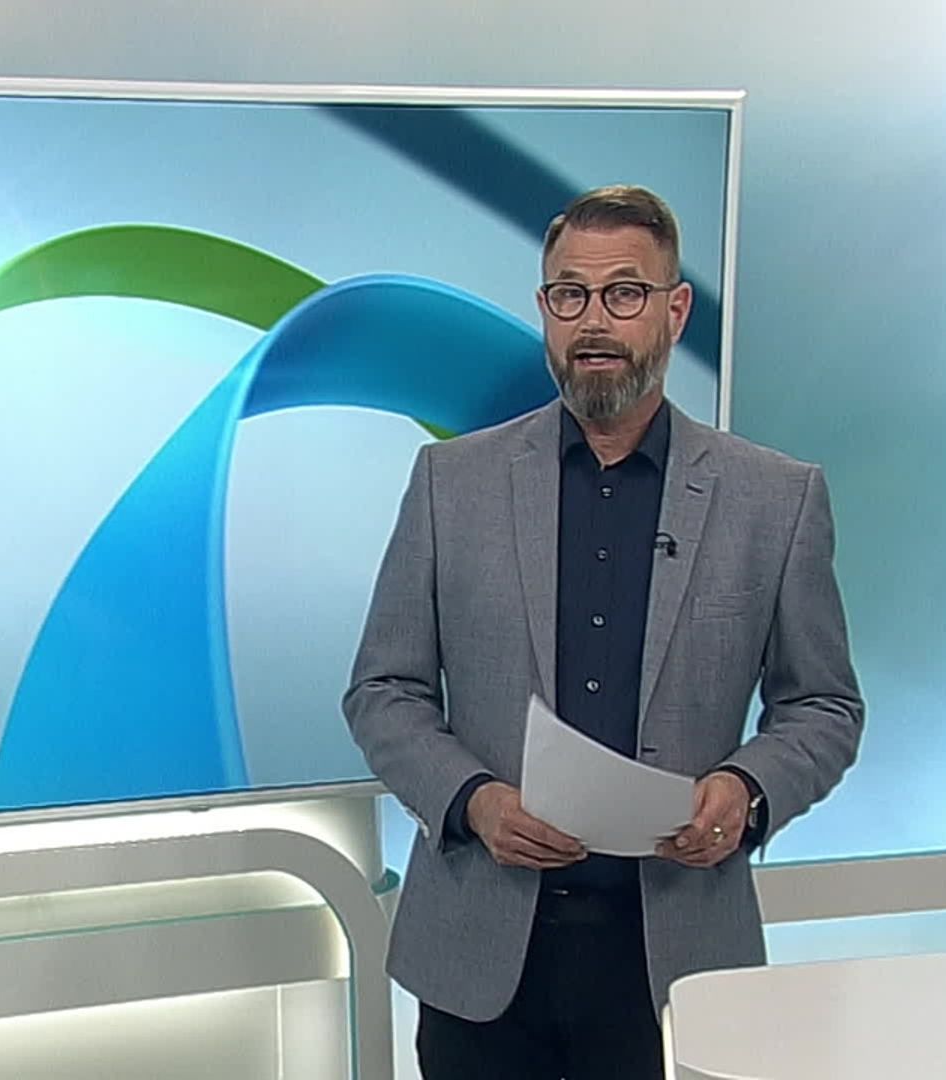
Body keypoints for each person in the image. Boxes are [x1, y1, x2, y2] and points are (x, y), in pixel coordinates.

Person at [343, 185, 864, 1079]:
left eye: (624, 293)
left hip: (671, 959)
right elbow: (383, 690)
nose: (594, 321)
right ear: (545, 310)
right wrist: (473, 800)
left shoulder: (774, 500)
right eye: (569, 295)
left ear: (675, 311)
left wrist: (746, 790)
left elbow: (822, 705)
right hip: (481, 959)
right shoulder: (450, 484)